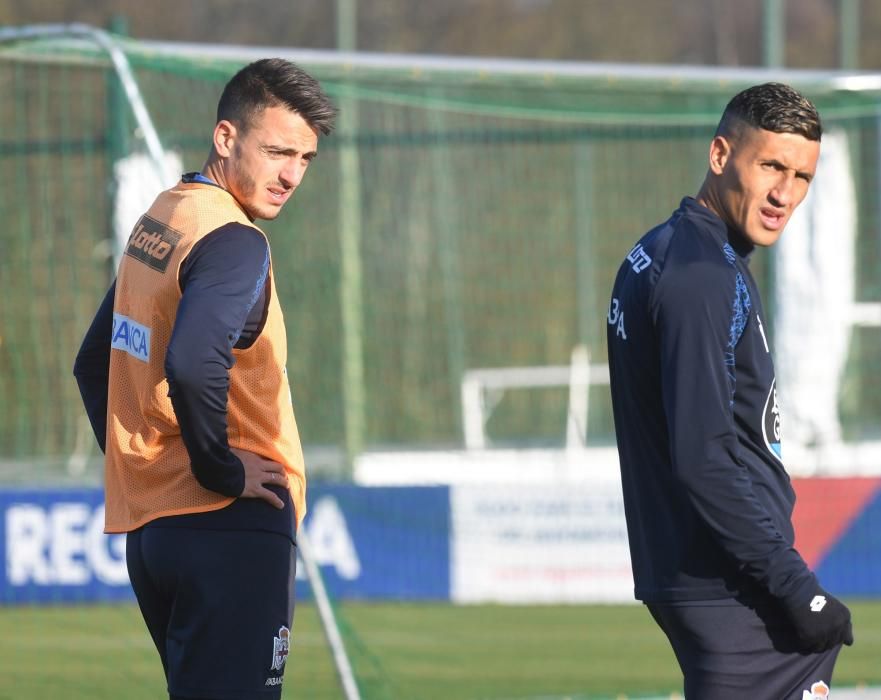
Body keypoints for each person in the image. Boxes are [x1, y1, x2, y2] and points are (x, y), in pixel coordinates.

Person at [73, 58, 336, 699]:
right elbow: (193, 363)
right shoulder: (234, 240)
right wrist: (220, 470)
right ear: (226, 138)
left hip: (157, 538)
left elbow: (91, 364)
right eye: (277, 151)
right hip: (232, 525)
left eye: (304, 158)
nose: (291, 175)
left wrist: (153, 477)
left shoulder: (161, 221)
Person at [606, 82, 853, 699]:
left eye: (801, 177)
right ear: (721, 156)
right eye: (771, 165)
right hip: (730, 587)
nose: (784, 194)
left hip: (718, 581)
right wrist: (798, 587)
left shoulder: (678, 251)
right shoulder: (699, 277)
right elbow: (704, 458)